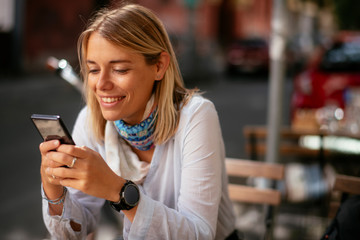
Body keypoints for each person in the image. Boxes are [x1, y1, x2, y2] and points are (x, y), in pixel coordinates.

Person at [39, 3, 238, 239]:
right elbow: (75, 230)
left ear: (159, 66)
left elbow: (199, 234)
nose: (101, 85)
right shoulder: (91, 120)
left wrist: (118, 190)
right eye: (93, 70)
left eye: (120, 69)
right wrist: (54, 190)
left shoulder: (196, 116)